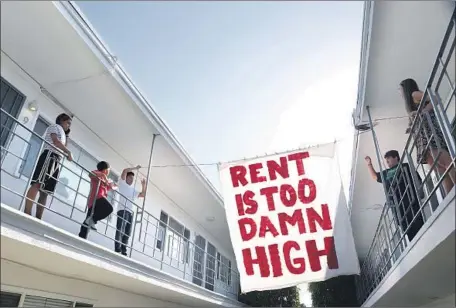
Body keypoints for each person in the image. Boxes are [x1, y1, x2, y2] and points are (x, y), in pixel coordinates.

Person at [400, 78, 455, 195]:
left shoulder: (413, 94)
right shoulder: (410, 102)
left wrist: (423, 112)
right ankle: (450, 198)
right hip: (423, 135)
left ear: (405, 88)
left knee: (444, 161)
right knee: (440, 168)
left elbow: (435, 98)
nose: (400, 93)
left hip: (429, 131)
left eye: (401, 89)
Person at [365, 150, 425, 242]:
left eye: (389, 159)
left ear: (396, 157)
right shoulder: (387, 172)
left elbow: (417, 179)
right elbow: (375, 177)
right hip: (398, 207)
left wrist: (421, 192)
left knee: (419, 225)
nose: (387, 162)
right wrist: (369, 164)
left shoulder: (405, 166)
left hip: (410, 200)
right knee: (407, 230)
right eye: (386, 160)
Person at [24, 113, 73, 219]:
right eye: (67, 122)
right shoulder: (54, 127)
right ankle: (27, 212)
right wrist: (68, 152)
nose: (68, 125)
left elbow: (62, 146)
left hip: (57, 160)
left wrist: (67, 137)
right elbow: (55, 141)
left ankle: (38, 217)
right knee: (37, 183)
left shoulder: (63, 133)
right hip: (49, 156)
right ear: (61, 120)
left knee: (45, 192)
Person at [78, 161, 117, 239]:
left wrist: (113, 185)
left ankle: (82, 236)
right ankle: (92, 221)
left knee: (88, 220)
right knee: (109, 208)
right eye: (109, 170)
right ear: (106, 170)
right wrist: (104, 176)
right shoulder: (97, 173)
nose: (109, 172)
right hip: (96, 198)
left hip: (99, 199)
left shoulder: (105, 179)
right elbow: (90, 174)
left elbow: (109, 187)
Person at [115, 165, 147, 256]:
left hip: (130, 212)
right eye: (130, 177)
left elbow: (142, 195)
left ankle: (123, 250)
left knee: (127, 232)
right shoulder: (122, 183)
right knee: (120, 229)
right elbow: (124, 170)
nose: (131, 180)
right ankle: (117, 248)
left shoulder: (133, 190)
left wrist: (143, 185)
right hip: (122, 210)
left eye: (133, 178)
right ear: (126, 177)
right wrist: (135, 169)